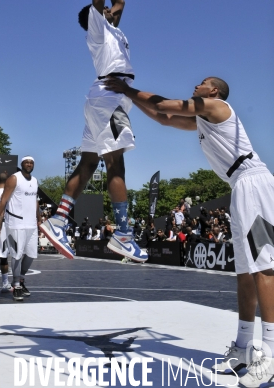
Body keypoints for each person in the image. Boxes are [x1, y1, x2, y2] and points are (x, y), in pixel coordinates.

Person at [105, 75, 274, 387]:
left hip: (254, 181)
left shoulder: (215, 105)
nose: (196, 84)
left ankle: (273, 353)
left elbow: (168, 104)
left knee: (264, 266)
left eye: (203, 82)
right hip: (239, 186)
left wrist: (126, 89)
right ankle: (243, 348)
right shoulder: (202, 121)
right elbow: (163, 117)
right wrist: (129, 100)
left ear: (214, 91)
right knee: (244, 272)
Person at [39, 0, 147, 264]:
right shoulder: (98, 27)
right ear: (94, 17)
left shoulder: (112, 27)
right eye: (104, 11)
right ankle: (123, 233)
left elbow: (120, 0)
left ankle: (58, 220)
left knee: (88, 162)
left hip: (103, 96)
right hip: (110, 96)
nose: (112, 12)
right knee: (115, 164)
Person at [0, 157, 40, 301]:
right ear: (22, 164)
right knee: (17, 255)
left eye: (31, 162)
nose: (29, 164)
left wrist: (39, 218)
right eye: (26, 162)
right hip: (16, 222)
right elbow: (3, 200)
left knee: (31, 254)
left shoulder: (35, 181)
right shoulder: (14, 179)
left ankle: (21, 279)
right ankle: (16, 285)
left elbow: (35, 200)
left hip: (31, 223)